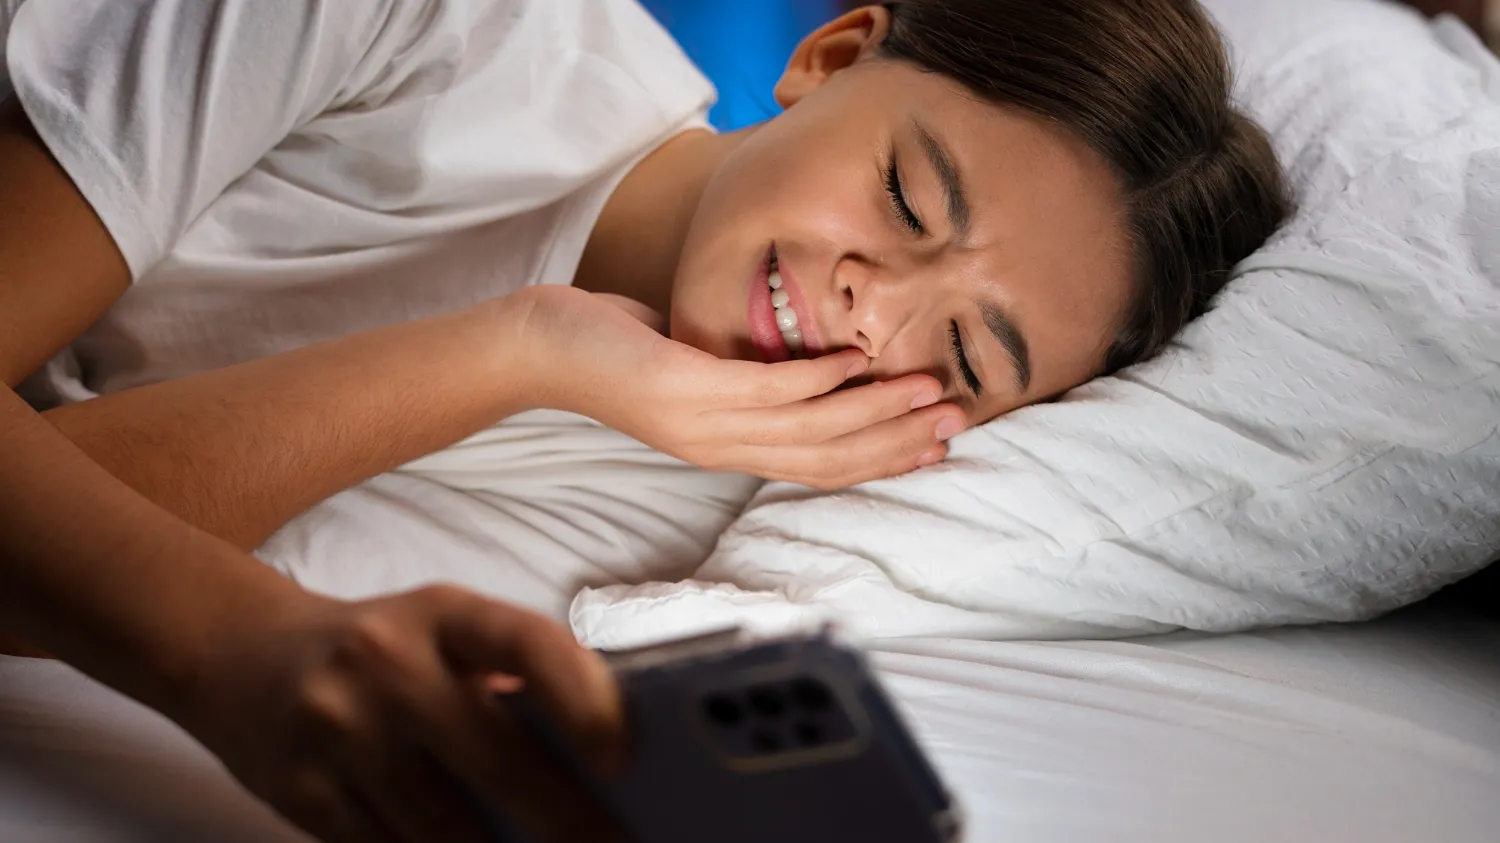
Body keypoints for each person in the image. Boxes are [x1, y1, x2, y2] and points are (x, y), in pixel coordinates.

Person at [0, 0, 1292, 840]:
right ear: (830, 56)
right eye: (905, 196)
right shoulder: (425, 21)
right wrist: (510, 340)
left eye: (962, 352)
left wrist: (526, 362)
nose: (873, 312)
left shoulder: (687, 491)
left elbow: (45, 584)